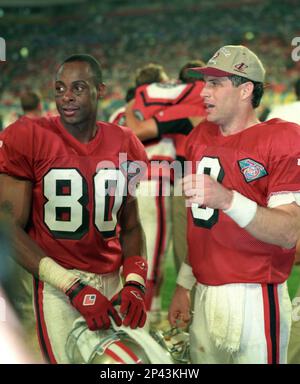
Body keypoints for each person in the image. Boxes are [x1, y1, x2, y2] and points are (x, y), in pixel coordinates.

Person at [0, 54, 149, 364]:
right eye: (59, 88)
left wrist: (134, 281)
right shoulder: (28, 136)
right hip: (58, 284)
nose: (66, 96)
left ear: (100, 90)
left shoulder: (126, 143)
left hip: (110, 281)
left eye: (78, 87)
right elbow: (7, 224)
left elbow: (131, 225)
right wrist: (70, 285)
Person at [168, 45, 300, 364]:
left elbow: (288, 232)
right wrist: (185, 284)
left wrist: (227, 199)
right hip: (205, 290)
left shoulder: (282, 138)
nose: (204, 91)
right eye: (205, 83)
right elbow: (201, 226)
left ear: (245, 90)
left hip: (256, 295)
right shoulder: (200, 136)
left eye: (215, 83)